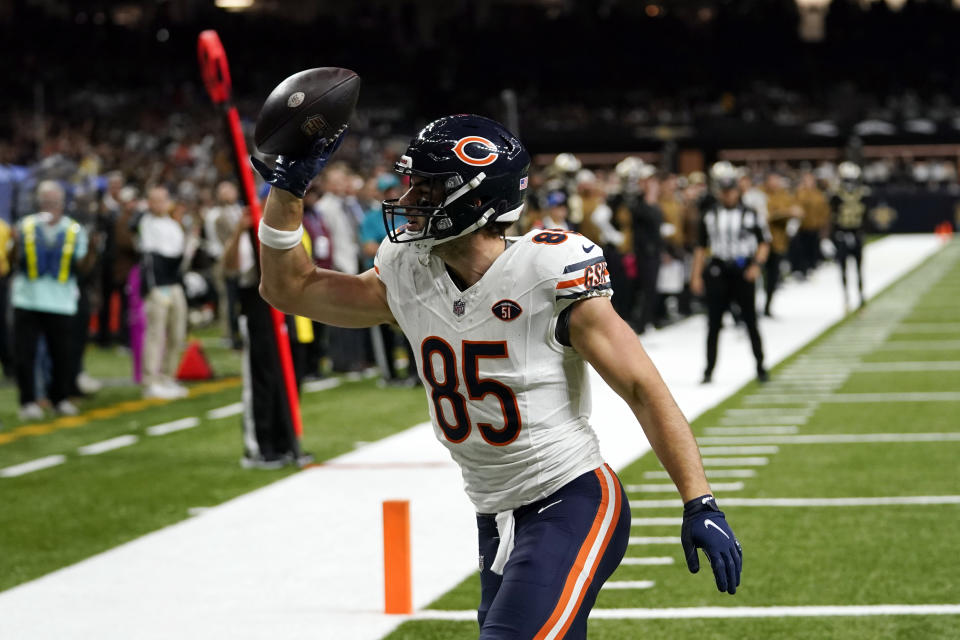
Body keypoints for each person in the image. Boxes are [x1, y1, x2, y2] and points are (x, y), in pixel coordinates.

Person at [253, 115, 742, 638]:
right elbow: (289, 288)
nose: (410, 195)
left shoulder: (547, 273)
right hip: (495, 514)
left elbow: (644, 389)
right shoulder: (408, 272)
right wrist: (288, 189)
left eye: (429, 185)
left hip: (571, 498)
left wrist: (699, 500)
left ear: (476, 197)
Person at [11, 181, 94, 419]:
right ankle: (28, 401)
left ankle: (60, 397)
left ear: (62, 204)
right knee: (25, 354)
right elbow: (13, 260)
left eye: (54, 201)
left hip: (61, 301)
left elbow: (84, 267)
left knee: (62, 354)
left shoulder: (74, 230)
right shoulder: (25, 226)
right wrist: (15, 243)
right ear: (39, 203)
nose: (50, 206)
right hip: (26, 299)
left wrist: (93, 249)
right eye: (46, 201)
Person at [691, 162, 770, 384]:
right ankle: (708, 370)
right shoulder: (710, 215)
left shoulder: (750, 213)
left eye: (731, 191)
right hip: (717, 270)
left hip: (742, 270)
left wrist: (756, 266)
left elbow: (764, 242)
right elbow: (700, 247)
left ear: (737, 190)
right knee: (714, 324)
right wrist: (696, 275)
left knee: (751, 321)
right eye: (724, 191)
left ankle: (761, 366)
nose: (727, 195)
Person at [137, 185, 190, 399]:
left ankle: (168, 377)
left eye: (162, 199)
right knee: (156, 333)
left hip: (174, 282)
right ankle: (151, 381)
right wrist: (152, 288)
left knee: (177, 332)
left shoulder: (173, 225)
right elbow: (150, 259)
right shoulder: (145, 223)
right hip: (158, 285)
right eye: (154, 200)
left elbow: (178, 255)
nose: (159, 204)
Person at [829, 161, 870, 311]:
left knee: (858, 267)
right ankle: (847, 297)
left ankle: (859, 295)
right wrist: (832, 236)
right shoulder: (836, 195)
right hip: (842, 234)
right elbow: (832, 217)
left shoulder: (862, 194)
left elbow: (865, 216)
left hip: (855, 232)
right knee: (845, 268)